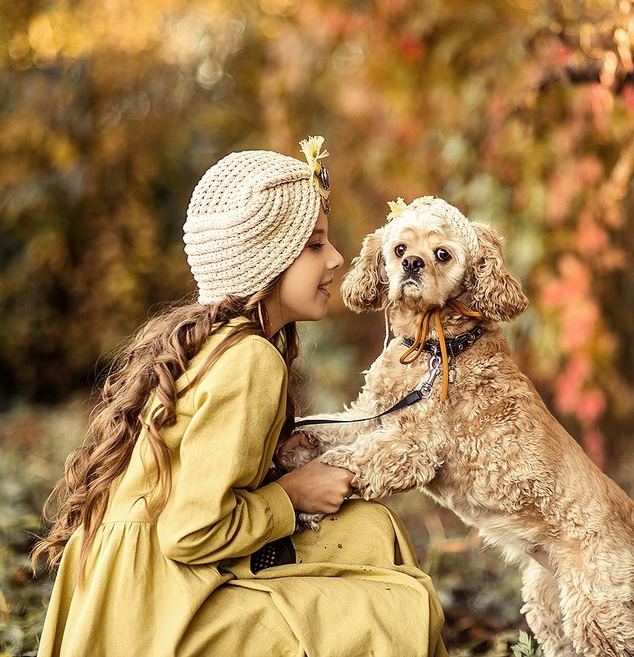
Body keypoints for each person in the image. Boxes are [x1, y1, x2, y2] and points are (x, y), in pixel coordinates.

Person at [32, 137, 448, 657]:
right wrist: (292, 496)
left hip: (137, 584)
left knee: (368, 528)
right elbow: (191, 531)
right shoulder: (249, 361)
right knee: (393, 608)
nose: (338, 259)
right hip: (156, 610)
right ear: (269, 259)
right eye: (315, 245)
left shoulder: (224, 339)